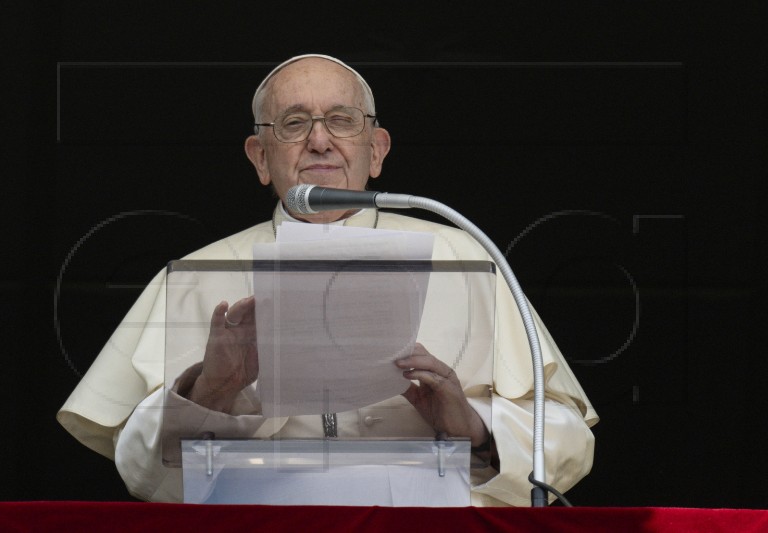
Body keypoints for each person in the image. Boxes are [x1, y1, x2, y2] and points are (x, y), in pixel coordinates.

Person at [57, 54, 598, 506]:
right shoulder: (198, 275)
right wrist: (210, 391)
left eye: (342, 120)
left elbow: (569, 442)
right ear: (259, 158)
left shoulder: (463, 254)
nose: (319, 142)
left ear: (377, 149)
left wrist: (472, 425)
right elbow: (139, 472)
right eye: (293, 123)